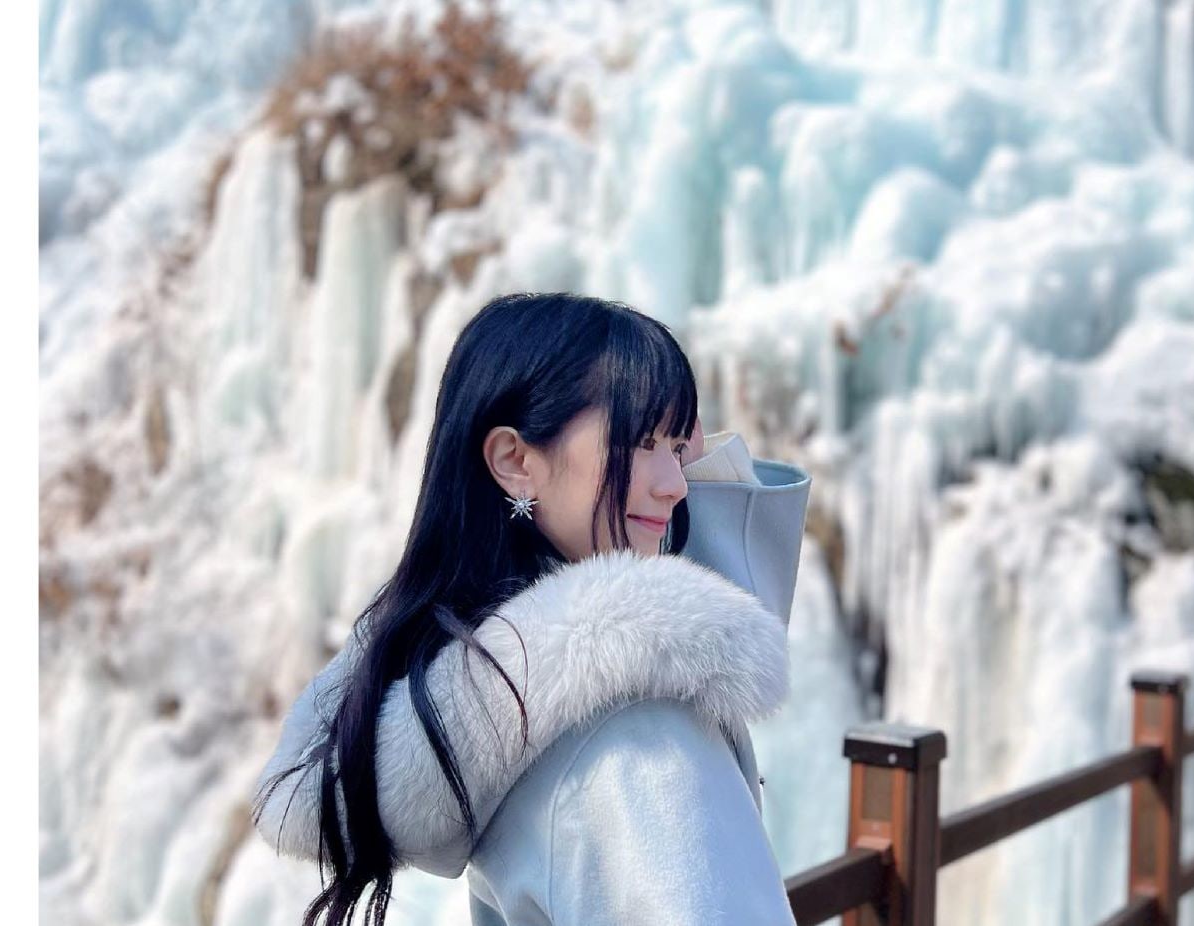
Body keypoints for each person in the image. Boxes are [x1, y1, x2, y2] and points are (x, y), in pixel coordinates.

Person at [251, 293, 796, 926]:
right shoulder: (636, 730)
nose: (676, 483)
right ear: (514, 461)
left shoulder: (494, 680)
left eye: (677, 449)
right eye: (641, 441)